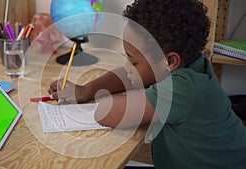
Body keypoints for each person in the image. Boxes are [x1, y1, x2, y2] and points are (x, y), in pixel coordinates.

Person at [48, 0, 246, 168]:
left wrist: (132, 98)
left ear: (169, 61)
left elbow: (106, 113)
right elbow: (128, 75)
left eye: (133, 61)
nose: (127, 67)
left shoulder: (183, 89)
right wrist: (86, 90)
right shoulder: (193, 64)